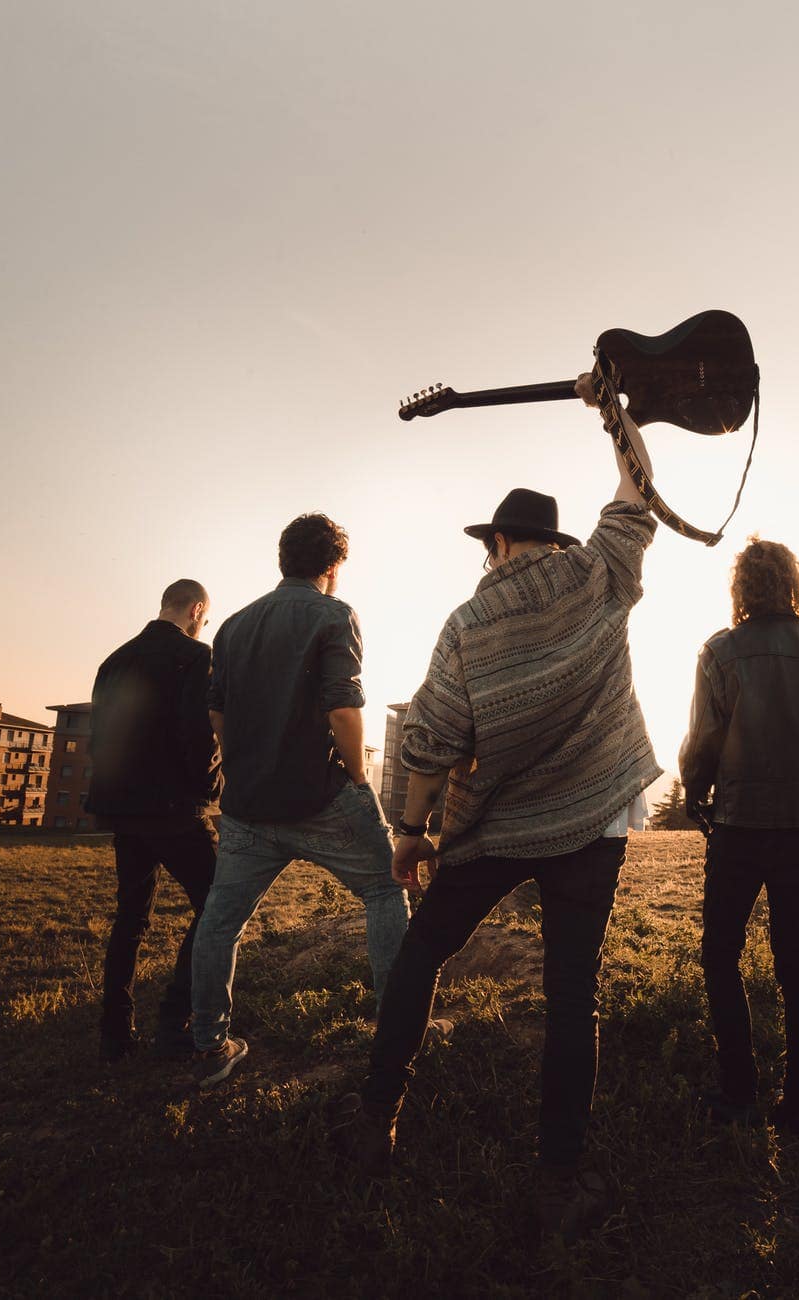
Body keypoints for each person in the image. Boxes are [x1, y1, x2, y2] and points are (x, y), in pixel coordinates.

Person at [337, 366, 662, 1243]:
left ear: (498, 547)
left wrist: (408, 833)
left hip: (493, 832)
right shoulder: (600, 575)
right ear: (548, 541)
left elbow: (430, 742)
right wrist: (612, 415)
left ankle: (376, 1118)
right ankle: (558, 1179)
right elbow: (638, 493)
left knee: (421, 957)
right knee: (571, 995)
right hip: (593, 822)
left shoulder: (466, 624)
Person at [187, 514, 411, 1089]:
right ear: (333, 567)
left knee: (219, 923)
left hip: (247, 805)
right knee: (385, 888)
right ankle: (397, 1032)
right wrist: (359, 779)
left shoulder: (232, 627)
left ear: (282, 559)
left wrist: (245, 758)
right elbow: (343, 708)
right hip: (321, 797)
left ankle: (211, 1047)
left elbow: (216, 712)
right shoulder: (334, 615)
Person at [678, 538, 799, 1139]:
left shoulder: (721, 650)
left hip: (738, 826)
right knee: (796, 962)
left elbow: (704, 738)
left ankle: (738, 1091)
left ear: (742, 589)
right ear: (793, 584)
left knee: (720, 957)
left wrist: (694, 793)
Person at [85, 579, 222, 1062]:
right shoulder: (196, 656)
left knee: (131, 918)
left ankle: (115, 1034)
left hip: (123, 807)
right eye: (203, 617)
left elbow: (102, 735)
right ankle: (174, 1022)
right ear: (197, 610)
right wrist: (213, 792)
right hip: (174, 809)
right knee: (218, 904)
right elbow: (199, 738)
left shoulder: (114, 661)